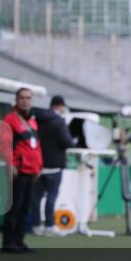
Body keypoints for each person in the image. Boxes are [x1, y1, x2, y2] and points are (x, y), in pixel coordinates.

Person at [0, 87, 43, 253]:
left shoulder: (32, 121)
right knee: (14, 208)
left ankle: (19, 241)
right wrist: (10, 165)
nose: (25, 100)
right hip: (17, 171)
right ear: (16, 100)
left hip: (31, 171)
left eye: (28, 98)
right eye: (22, 98)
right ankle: (8, 243)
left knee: (25, 209)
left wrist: (39, 167)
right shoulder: (9, 119)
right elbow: (5, 145)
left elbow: (36, 146)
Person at [30, 95, 76, 236]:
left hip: (37, 164)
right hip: (54, 165)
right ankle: (49, 226)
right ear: (60, 106)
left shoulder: (35, 119)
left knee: (36, 197)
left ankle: (36, 226)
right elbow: (67, 142)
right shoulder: (59, 122)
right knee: (51, 196)